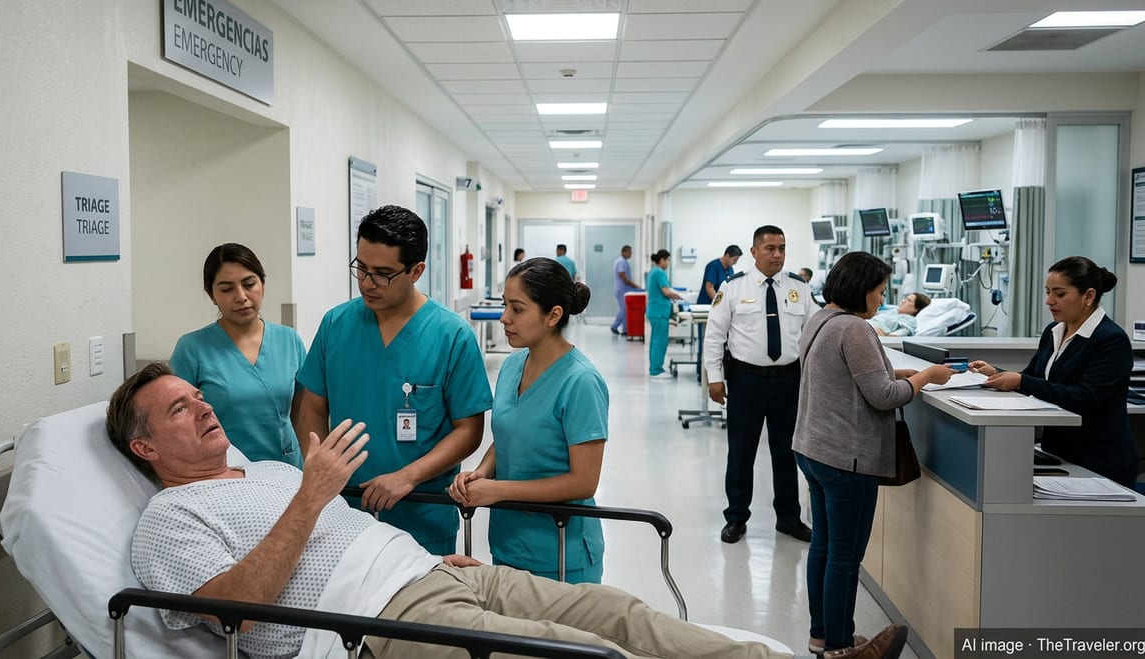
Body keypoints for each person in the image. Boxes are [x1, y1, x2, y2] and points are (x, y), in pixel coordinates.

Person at [108, 363, 791, 659]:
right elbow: (239, 611)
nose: (203, 406)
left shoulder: (268, 469)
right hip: (373, 620)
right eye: (179, 408)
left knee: (618, 612)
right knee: (589, 653)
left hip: (437, 572)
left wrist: (428, 557)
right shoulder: (170, 519)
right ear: (145, 446)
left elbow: (343, 528)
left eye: (199, 396)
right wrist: (312, 495)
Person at [296, 205, 492, 555]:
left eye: (383, 274)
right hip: (342, 510)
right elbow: (312, 407)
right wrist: (319, 470)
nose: (367, 283)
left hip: (421, 514)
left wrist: (407, 476)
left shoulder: (451, 336)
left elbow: (469, 431)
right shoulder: (336, 325)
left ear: (416, 271)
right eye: (361, 268)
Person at [792, 251, 953, 658]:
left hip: (813, 449)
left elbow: (841, 375)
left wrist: (896, 373)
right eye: (879, 292)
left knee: (824, 546)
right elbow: (883, 396)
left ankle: (821, 636)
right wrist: (927, 377)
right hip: (846, 459)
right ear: (860, 290)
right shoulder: (854, 328)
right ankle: (841, 647)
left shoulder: (820, 319)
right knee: (845, 556)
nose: (882, 300)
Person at [449, 257, 609, 584]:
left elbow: (583, 482)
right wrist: (481, 473)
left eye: (517, 309)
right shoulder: (512, 366)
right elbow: (509, 434)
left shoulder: (580, 382)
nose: (504, 317)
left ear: (553, 315)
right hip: (508, 543)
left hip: (560, 552)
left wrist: (497, 491)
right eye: (505, 305)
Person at [968, 256, 1137, 487]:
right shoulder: (1054, 331)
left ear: (1088, 296)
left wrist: (1020, 381)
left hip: (1099, 460)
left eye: (1059, 294)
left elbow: (1085, 397)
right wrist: (995, 373)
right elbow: (1034, 379)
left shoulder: (1110, 339)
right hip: (1058, 453)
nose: (1049, 301)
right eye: (1048, 292)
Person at [704, 225, 815, 543]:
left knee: (787, 452)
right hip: (745, 380)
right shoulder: (733, 287)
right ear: (754, 251)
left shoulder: (799, 288)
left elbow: (815, 332)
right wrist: (715, 378)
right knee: (741, 452)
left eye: (782, 248)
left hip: (788, 380)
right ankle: (736, 518)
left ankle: (789, 518)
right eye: (770, 248)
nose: (777, 255)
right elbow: (715, 335)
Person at [169, 243, 306, 467]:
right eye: (226, 289)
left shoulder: (289, 340)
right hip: (227, 471)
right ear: (212, 295)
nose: (241, 297)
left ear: (262, 284)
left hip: (289, 468)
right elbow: (179, 423)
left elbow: (304, 416)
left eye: (249, 284)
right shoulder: (192, 349)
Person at [697, 245, 743, 370]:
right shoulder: (713, 266)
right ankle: (703, 373)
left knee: (722, 342)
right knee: (707, 341)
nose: (735, 262)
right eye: (734, 259)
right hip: (708, 307)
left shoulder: (730, 269)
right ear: (727, 255)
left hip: (722, 311)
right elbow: (709, 287)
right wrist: (720, 304)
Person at [645, 249, 685, 379]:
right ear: (662, 260)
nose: (668, 263)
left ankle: (654, 368)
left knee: (655, 341)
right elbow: (666, 292)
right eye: (667, 261)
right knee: (660, 342)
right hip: (660, 312)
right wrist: (679, 296)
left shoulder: (652, 271)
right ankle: (656, 370)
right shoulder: (660, 272)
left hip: (654, 310)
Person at [610, 244, 641, 336]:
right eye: (629, 252)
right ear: (624, 252)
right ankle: (614, 326)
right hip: (622, 290)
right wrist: (634, 286)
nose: (630, 254)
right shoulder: (621, 262)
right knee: (624, 309)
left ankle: (625, 330)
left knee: (626, 309)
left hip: (624, 290)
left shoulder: (624, 261)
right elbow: (623, 276)